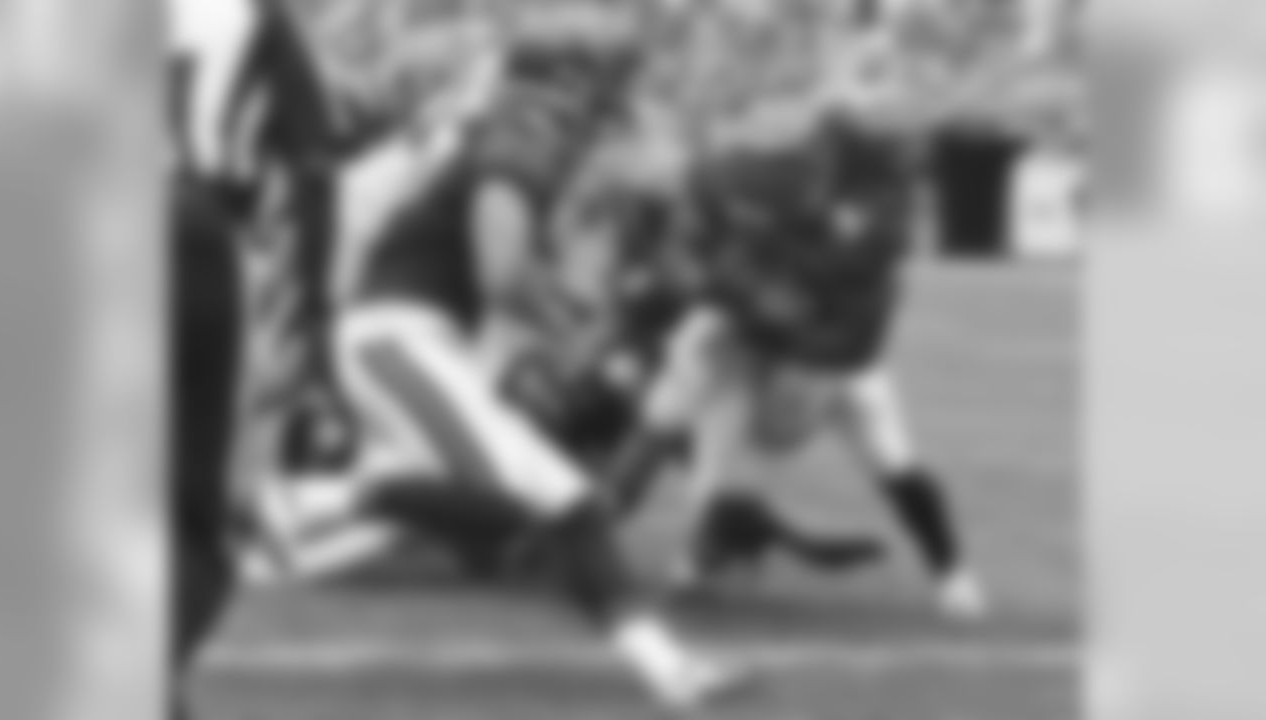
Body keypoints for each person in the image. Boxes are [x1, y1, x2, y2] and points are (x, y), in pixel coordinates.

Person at [317, 35, 750, 711]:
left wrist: (571, 317)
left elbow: (507, 268)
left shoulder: (508, 134)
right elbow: (501, 275)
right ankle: (330, 497)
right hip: (395, 341)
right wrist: (572, 325)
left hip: (411, 340)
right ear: (568, 82)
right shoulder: (520, 142)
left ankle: (672, 671)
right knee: (565, 504)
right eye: (603, 82)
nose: (611, 102)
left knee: (548, 509)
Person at [603, 98, 988, 619]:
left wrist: (767, 297)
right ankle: (619, 529)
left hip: (830, 355)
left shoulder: (871, 226)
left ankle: (952, 572)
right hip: (749, 339)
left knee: (892, 457)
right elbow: (693, 257)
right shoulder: (741, 182)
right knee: (688, 379)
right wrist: (730, 284)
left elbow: (847, 322)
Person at [167, 0, 382, 715]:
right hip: (191, 231)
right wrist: (314, 317)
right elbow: (314, 165)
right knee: (197, 515)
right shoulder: (254, 15)